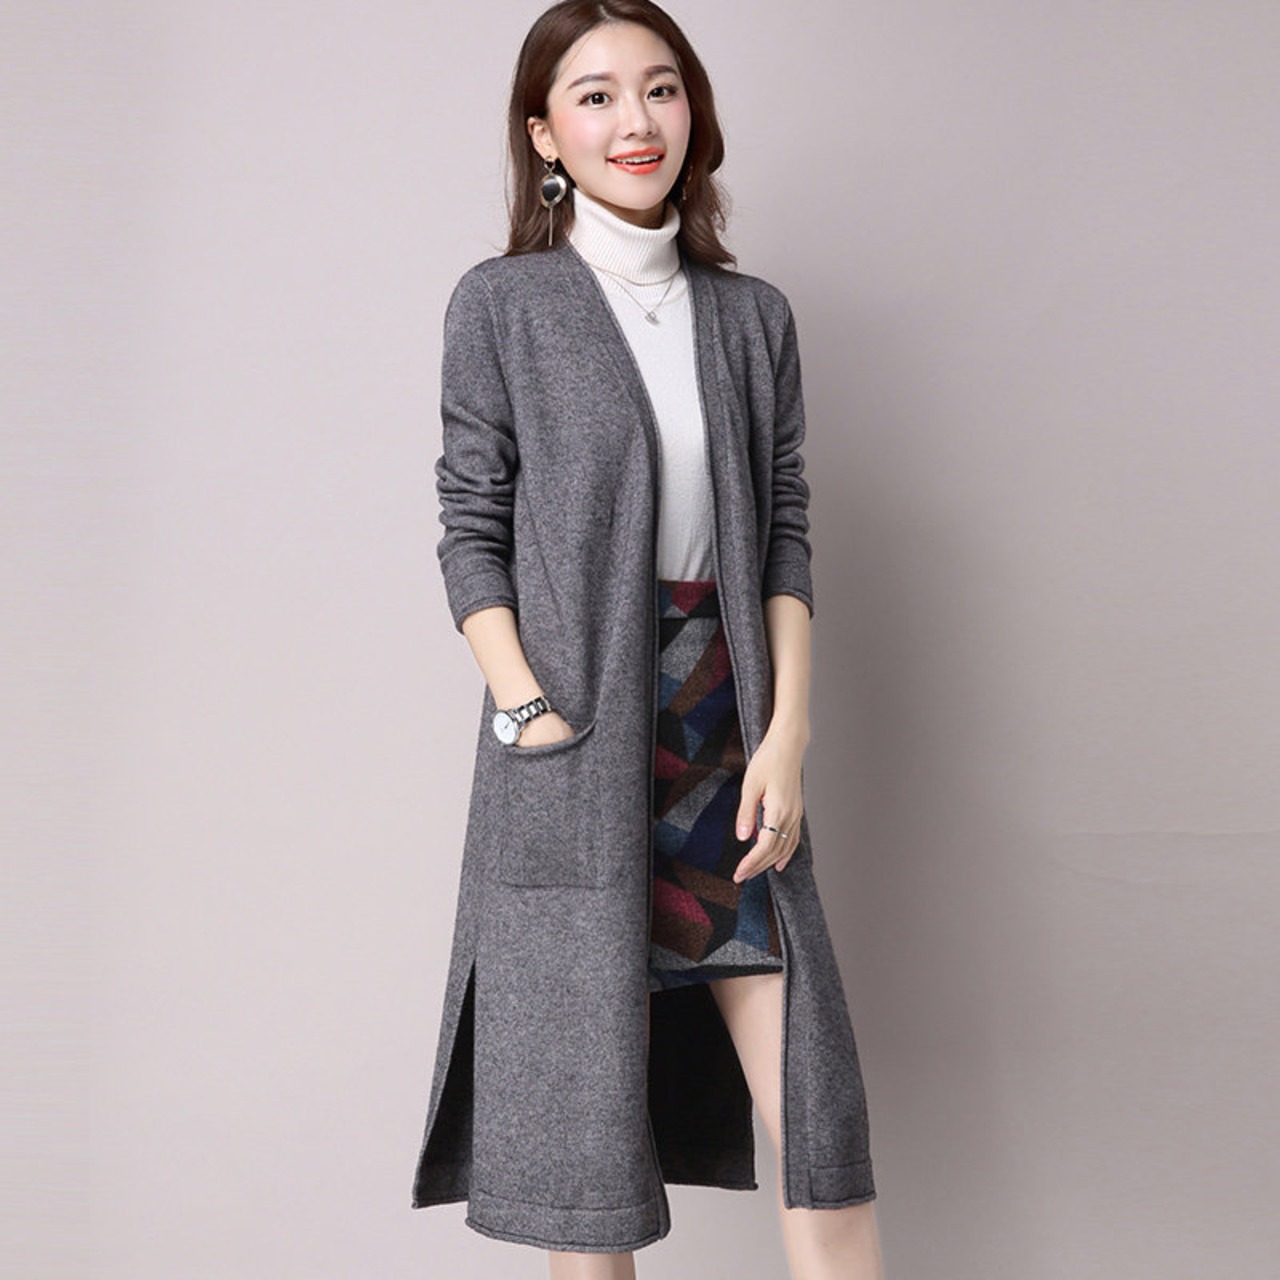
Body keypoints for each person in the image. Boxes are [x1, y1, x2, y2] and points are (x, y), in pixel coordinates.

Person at [412, 4, 885, 1277]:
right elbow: (470, 525)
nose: (635, 120)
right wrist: (526, 708)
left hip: (725, 728)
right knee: (586, 1150)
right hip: (575, 742)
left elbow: (782, 532)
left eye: (660, 89)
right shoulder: (503, 305)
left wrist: (786, 733)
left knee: (817, 1114)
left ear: (692, 112)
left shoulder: (750, 317)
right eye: (596, 95)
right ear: (544, 133)